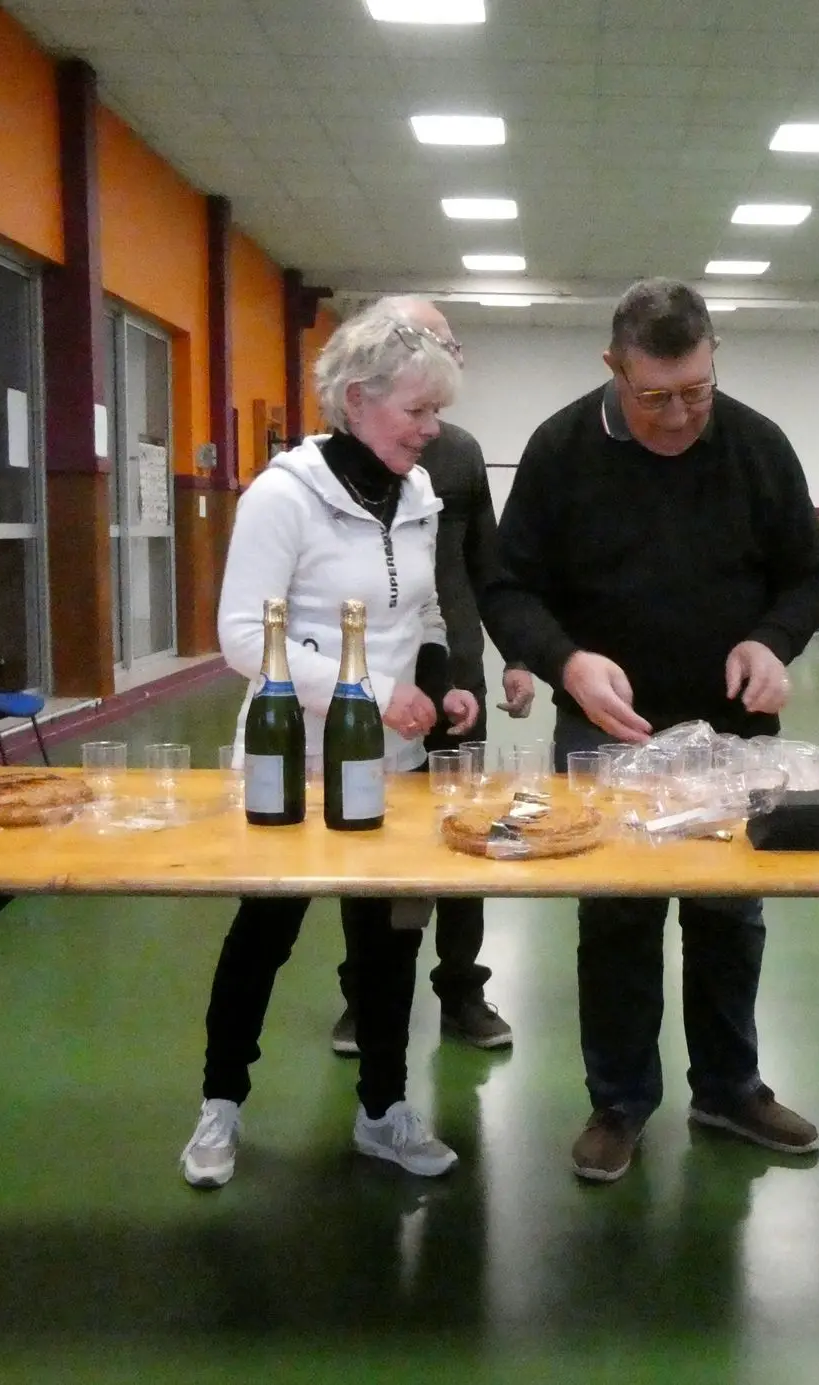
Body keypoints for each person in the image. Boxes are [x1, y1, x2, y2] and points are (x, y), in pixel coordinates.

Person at [485, 277, 819, 1184]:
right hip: (606, 728)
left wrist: (772, 640)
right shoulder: (560, 449)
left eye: (696, 391)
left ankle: (728, 1087)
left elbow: (809, 574)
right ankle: (619, 1100)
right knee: (617, 916)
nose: (679, 417)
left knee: (731, 913)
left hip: (733, 732)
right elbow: (509, 587)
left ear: (715, 361)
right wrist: (566, 661)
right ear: (614, 367)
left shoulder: (757, 445)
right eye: (655, 397)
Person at [180, 303, 477, 1187]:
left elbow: (423, 611)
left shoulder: (417, 494)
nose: (431, 429)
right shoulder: (283, 496)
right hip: (294, 761)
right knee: (263, 936)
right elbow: (244, 637)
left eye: (436, 411)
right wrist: (374, 691)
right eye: (416, 410)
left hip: (391, 764)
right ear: (356, 400)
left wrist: (438, 680)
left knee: (388, 946)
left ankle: (384, 1111)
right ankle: (219, 1106)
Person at [329, 298, 533, 1058]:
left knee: (466, 835)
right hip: (374, 682)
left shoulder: (458, 454)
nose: (450, 361)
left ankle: (461, 990)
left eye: (453, 349)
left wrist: (517, 656)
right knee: (370, 837)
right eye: (435, 346)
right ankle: (365, 994)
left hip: (456, 678)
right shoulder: (335, 464)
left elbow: (488, 564)